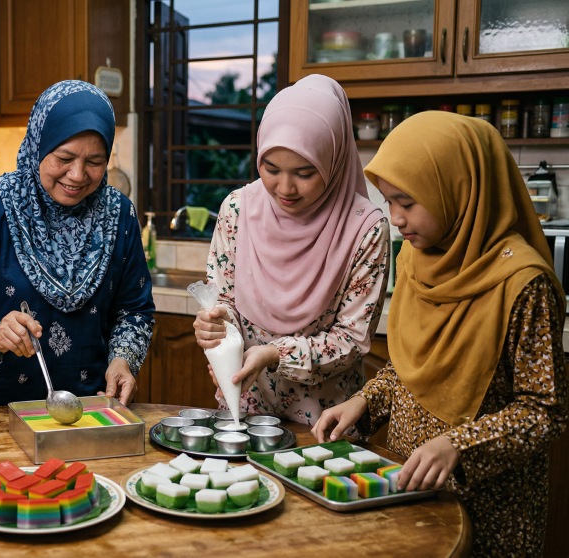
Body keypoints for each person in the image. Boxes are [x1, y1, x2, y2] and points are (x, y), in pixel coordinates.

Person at [311, 111, 568, 556]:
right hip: (408, 488)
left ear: (458, 189)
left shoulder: (524, 283)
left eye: (407, 202)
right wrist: (364, 401)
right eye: (388, 202)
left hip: (492, 504)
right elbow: (411, 367)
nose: (395, 219)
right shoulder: (416, 260)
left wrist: (459, 446)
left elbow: (545, 411)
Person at [0, 80, 155, 409]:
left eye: (94, 161)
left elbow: (134, 309)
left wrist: (123, 360)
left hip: (90, 406)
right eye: (64, 158)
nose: (77, 175)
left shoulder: (119, 214)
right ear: (38, 145)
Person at [193, 74, 389, 425]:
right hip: (244, 409)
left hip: (325, 421)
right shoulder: (237, 209)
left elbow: (351, 339)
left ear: (333, 160)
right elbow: (226, 302)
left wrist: (273, 353)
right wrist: (217, 330)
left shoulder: (366, 228)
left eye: (304, 172)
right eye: (271, 168)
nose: (285, 188)